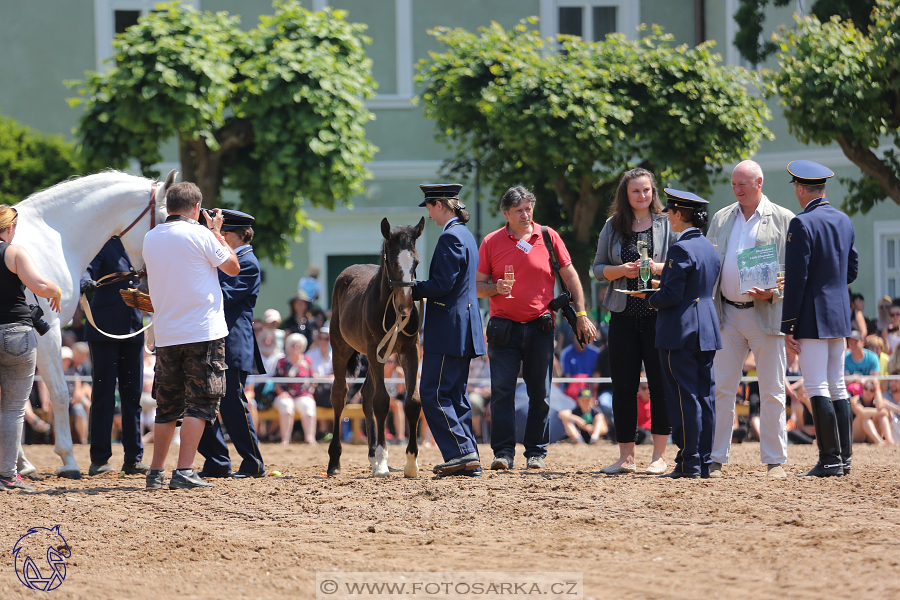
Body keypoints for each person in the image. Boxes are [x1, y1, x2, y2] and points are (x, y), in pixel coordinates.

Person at [477, 186, 596, 471]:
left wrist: (581, 313)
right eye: (518, 210)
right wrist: (495, 287)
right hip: (503, 328)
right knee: (501, 391)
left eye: (528, 208)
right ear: (506, 213)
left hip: (540, 326)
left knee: (540, 393)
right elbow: (478, 287)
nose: (525, 214)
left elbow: (571, 276)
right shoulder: (491, 241)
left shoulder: (548, 236)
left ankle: (536, 453)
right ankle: (503, 453)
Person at [142, 182, 240, 490]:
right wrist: (216, 233)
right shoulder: (201, 234)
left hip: (168, 332)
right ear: (196, 209)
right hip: (202, 331)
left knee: (167, 404)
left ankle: (156, 471)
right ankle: (184, 470)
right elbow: (233, 267)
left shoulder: (150, 236)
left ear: (168, 206)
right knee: (201, 401)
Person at [705, 160, 795, 479]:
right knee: (722, 389)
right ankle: (715, 458)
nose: (737, 190)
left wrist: (774, 292)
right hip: (726, 313)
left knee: (771, 389)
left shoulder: (785, 219)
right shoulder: (721, 217)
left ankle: (775, 461)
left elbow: (796, 271)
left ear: (759, 182)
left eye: (743, 184)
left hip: (766, 314)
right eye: (733, 184)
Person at [592, 168, 673, 475]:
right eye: (636, 191)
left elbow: (681, 264)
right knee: (623, 386)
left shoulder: (667, 222)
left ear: (654, 192)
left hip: (657, 314)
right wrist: (620, 270)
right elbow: (598, 268)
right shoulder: (613, 225)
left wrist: (654, 267)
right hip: (622, 315)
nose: (642, 196)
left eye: (647, 190)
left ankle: (659, 456)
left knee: (659, 385)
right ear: (625, 195)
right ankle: (626, 457)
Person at [781, 160, 858, 477]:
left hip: (812, 313)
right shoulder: (844, 220)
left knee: (816, 385)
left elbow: (796, 279)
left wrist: (788, 325)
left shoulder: (802, 223)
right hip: (839, 312)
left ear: (800, 189)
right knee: (837, 384)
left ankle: (829, 459)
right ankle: (844, 458)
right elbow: (851, 271)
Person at [410, 183, 485, 477]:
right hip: (462, 328)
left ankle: (459, 453)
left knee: (433, 393)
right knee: (455, 395)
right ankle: (469, 457)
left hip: (449, 329)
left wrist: (409, 289)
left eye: (429, 208)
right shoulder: (464, 235)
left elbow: (442, 285)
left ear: (440, 205)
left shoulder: (451, 237)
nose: (428, 215)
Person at [646, 189, 721, 479]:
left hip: (681, 329)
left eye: (670, 213)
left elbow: (672, 295)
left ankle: (689, 461)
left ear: (679, 215)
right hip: (706, 326)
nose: (668, 218)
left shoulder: (680, 248)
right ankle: (702, 460)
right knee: (705, 395)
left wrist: (649, 297)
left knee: (683, 397)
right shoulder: (709, 247)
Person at [197, 209, 267, 478]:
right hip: (216, 339)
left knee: (232, 405)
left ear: (238, 235)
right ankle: (217, 461)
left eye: (223, 234)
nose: (218, 238)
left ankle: (253, 462)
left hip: (233, 343)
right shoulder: (228, 260)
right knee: (203, 401)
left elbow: (221, 297)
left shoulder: (247, 262)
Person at [0, 205, 62, 492]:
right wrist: (57, 291)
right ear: (10, 228)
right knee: (12, 409)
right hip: (15, 336)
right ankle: (7, 475)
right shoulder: (13, 252)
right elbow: (39, 284)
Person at [79, 236, 148, 477]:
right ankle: (99, 459)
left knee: (133, 397)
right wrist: (85, 282)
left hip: (134, 327)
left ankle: (133, 459)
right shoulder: (104, 241)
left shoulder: (142, 243)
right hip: (105, 329)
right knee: (104, 396)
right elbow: (87, 267)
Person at [271, 333, 317, 445]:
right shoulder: (281, 361)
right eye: (293, 345)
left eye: (298, 345)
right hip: (285, 395)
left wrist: (309, 392)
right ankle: (285, 439)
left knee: (308, 406)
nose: (296, 348)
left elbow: (313, 380)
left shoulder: (307, 361)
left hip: (303, 394)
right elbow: (275, 380)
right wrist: (281, 392)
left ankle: (310, 439)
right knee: (287, 407)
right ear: (287, 346)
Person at [850, 378, 898, 445]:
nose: (868, 392)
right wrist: (880, 411)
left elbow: (882, 406)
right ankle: (879, 441)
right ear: (862, 389)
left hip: (870, 436)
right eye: (866, 388)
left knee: (882, 416)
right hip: (858, 435)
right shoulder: (855, 400)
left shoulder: (876, 401)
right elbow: (862, 412)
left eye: (872, 390)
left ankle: (889, 440)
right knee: (865, 417)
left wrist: (877, 388)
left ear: (874, 392)